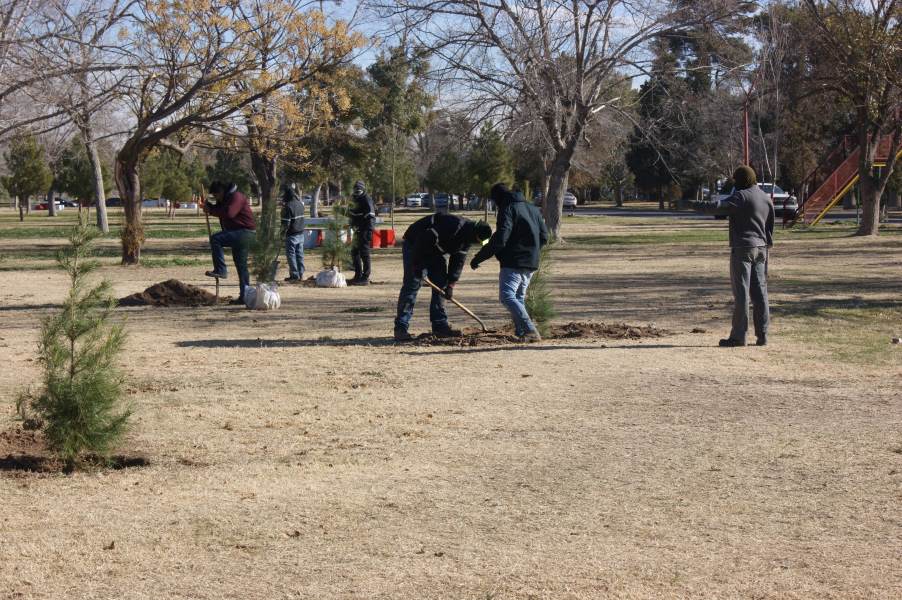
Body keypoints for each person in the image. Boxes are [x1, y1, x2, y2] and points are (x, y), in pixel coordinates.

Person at [690, 165, 774, 347]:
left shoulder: (741, 196)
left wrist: (692, 204)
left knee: (742, 293)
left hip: (743, 248)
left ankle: (738, 337)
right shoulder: (765, 197)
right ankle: (763, 335)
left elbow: (717, 207)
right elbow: (770, 226)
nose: (735, 184)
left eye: (736, 180)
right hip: (762, 248)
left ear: (742, 180)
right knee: (760, 293)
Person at [394, 214, 492, 341]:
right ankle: (401, 328)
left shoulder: (467, 239)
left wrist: (451, 284)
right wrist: (417, 265)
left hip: (435, 250)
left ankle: (440, 325)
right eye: (478, 241)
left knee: (441, 284)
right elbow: (423, 240)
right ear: (475, 234)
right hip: (415, 244)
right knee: (412, 285)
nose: (476, 244)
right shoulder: (453, 226)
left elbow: (458, 262)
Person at [470, 183, 549, 342]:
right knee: (518, 297)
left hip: (514, 262)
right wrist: (532, 251)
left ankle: (530, 330)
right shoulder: (533, 208)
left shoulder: (508, 209)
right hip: (531, 261)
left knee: (507, 296)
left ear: (498, 198)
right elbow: (544, 236)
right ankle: (522, 333)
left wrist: (478, 258)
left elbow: (500, 239)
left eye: (494, 201)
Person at [204, 181, 256, 305]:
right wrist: (209, 206)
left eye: (216, 195)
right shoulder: (225, 199)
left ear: (221, 191)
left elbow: (229, 213)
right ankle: (244, 297)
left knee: (216, 239)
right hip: (238, 233)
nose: (216, 198)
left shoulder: (236, 197)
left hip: (245, 232)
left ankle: (221, 270)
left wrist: (211, 211)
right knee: (241, 266)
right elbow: (219, 208)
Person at [348, 180, 376, 285]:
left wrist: (366, 228)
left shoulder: (366, 199)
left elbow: (370, 215)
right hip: (357, 229)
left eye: (359, 190)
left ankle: (365, 277)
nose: (357, 192)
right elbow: (352, 213)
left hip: (366, 229)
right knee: (354, 252)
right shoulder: (354, 199)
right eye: (355, 190)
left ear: (363, 189)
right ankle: (358, 275)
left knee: (364, 253)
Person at [280, 183, 306, 283]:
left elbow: (285, 224)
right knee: (300, 254)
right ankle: (301, 274)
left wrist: (282, 234)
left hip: (291, 235)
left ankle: (294, 276)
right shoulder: (300, 204)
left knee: (291, 255)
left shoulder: (288, 207)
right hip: (301, 233)